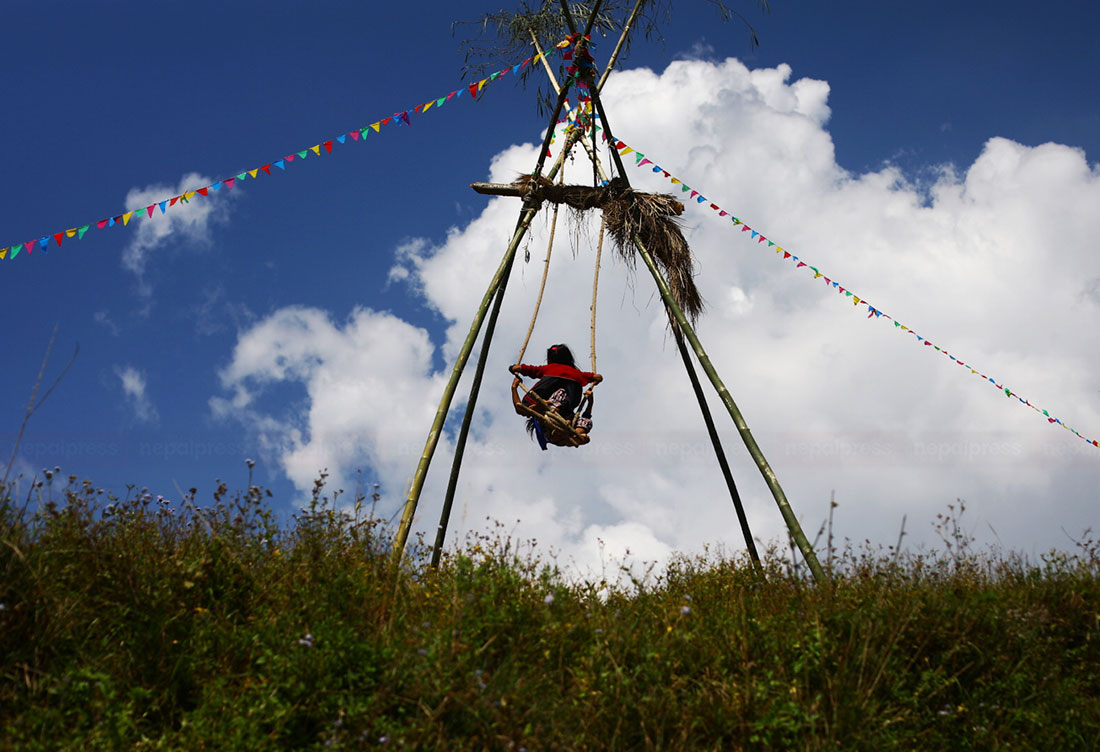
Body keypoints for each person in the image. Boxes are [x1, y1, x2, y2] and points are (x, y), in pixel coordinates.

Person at [509, 344, 602, 449]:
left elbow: (532, 370)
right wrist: (594, 380)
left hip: (554, 409)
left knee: (560, 399)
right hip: (562, 411)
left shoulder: (550, 368)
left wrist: (517, 369)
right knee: (584, 421)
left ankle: (551, 409)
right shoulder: (577, 374)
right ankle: (554, 411)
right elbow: (596, 378)